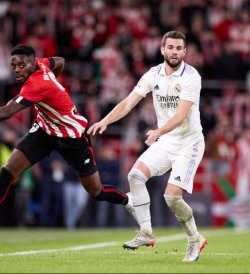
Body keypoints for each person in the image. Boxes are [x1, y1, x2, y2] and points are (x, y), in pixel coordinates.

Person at [0, 44, 129, 246]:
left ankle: (129, 201)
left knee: (96, 192)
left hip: (72, 136)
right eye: (13, 65)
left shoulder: (37, 84)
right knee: (7, 172)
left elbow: (7, 112)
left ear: (32, 63)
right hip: (45, 131)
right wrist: (52, 92)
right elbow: (60, 61)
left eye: (21, 65)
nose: (16, 69)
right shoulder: (42, 65)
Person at [88, 31, 207, 262]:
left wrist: (158, 132)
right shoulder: (153, 74)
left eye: (178, 48)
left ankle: (194, 240)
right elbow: (128, 103)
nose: (174, 51)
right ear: (162, 49)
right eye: (170, 47)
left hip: (189, 143)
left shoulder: (192, 76)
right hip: (166, 141)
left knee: (172, 198)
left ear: (184, 52)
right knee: (135, 176)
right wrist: (104, 121)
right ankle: (146, 231)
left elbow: (182, 115)